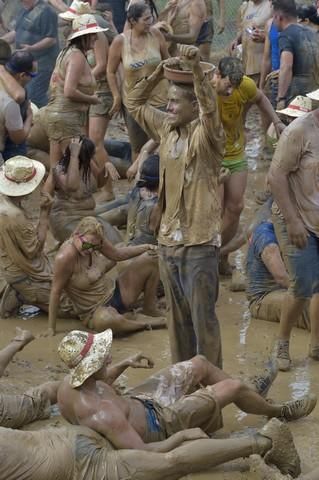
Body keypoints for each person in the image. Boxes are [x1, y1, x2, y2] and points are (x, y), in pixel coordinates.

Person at [57, 329, 316, 460]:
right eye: (104, 358)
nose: (109, 357)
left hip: (139, 401)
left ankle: (251, 395)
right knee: (233, 388)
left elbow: (99, 381)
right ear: (90, 369)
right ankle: (277, 410)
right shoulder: (103, 414)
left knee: (200, 362)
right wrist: (182, 435)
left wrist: (123, 363)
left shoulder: (68, 386)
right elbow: (145, 453)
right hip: (160, 424)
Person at [126, 44, 225, 366]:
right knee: (178, 324)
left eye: (174, 102)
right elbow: (134, 101)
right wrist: (157, 72)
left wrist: (196, 70)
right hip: (168, 240)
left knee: (203, 323)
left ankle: (211, 394)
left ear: (194, 105)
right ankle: (183, 383)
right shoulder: (167, 129)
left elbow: (211, 110)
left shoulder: (208, 136)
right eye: (167, 101)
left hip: (199, 242)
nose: (168, 107)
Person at [0, 418, 303, 479]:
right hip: (67, 436)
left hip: (73, 462)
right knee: (157, 455)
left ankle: (265, 441)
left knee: (171, 464)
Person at [211, 56, 284, 274]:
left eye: (235, 86)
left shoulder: (245, 84)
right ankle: (210, 256)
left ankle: (220, 254)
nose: (232, 91)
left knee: (236, 208)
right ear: (217, 75)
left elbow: (260, 99)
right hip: (211, 157)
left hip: (235, 151)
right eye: (228, 85)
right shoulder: (206, 91)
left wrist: (276, 120)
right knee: (215, 211)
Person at [268, 88, 319, 371]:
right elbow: (275, 176)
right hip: (297, 217)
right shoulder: (300, 130)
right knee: (302, 284)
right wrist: (292, 220)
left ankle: (316, 344)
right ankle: (283, 342)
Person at [48, 216, 166, 336]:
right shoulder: (65, 257)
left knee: (151, 257)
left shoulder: (95, 240)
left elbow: (118, 254)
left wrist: (146, 247)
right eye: (87, 246)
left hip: (116, 292)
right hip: (95, 311)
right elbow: (55, 291)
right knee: (106, 320)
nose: (90, 250)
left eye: (95, 247)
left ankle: (149, 308)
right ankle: (146, 324)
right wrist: (51, 328)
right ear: (76, 235)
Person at [59, 0, 119, 203]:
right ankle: (91, 180)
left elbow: (102, 65)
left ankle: (108, 188)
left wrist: (78, 84)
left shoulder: (97, 36)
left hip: (101, 92)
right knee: (86, 140)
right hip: (89, 94)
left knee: (97, 142)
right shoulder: (79, 43)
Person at [0, 156, 75, 317]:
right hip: (26, 274)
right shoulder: (15, 216)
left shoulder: (5, 204)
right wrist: (44, 213)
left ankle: (17, 290)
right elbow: (33, 250)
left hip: (12, 266)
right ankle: (22, 293)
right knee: (73, 307)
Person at [107, 2, 169, 161]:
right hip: (134, 103)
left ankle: (163, 181)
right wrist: (116, 96)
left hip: (159, 99)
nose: (150, 22)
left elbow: (168, 61)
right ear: (133, 21)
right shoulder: (120, 41)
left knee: (163, 142)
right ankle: (140, 182)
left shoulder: (156, 34)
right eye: (146, 19)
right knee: (138, 146)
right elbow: (110, 71)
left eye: (151, 18)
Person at [45, 14, 103, 170]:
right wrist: (92, 99)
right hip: (66, 118)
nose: (96, 38)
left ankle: (48, 194)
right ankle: (78, 193)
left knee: (57, 166)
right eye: (93, 35)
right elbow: (69, 91)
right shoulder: (76, 56)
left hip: (59, 116)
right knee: (78, 164)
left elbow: (57, 82)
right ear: (84, 36)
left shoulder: (67, 52)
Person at [47, 136, 122, 244]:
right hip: (66, 220)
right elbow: (72, 186)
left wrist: (106, 167)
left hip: (89, 215)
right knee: (96, 241)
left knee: (115, 239)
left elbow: (99, 183)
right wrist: (74, 156)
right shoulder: (60, 170)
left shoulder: (88, 164)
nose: (93, 157)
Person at [246, 217, 310, 330]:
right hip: (263, 298)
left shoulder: (285, 231)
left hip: (286, 291)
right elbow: (282, 278)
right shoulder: (266, 236)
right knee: (308, 305)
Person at [1, 0, 59, 107]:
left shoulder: (47, 11)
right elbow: (15, 33)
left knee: (36, 96)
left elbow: (51, 39)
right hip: (25, 63)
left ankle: (41, 119)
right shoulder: (24, 10)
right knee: (27, 95)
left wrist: (31, 48)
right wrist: (1, 41)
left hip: (42, 63)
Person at [272, 0, 319, 110]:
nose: (273, 21)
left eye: (273, 17)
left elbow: (286, 67)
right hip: (315, 91)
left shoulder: (285, 35)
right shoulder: (311, 32)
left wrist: (281, 98)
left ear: (279, 17)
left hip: (297, 94)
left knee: (283, 124)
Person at [0, 51, 35, 163]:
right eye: (33, 75)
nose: (33, 78)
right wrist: (29, 117)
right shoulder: (12, 102)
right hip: (9, 148)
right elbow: (18, 138)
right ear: (22, 75)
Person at [231, 0, 272, 83]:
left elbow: (282, 33)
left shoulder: (271, 5)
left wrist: (265, 37)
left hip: (261, 64)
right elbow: (245, 27)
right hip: (246, 62)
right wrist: (237, 39)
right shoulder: (247, 6)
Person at [259, 9, 280, 107]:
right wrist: (261, 85)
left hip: (294, 78)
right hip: (275, 79)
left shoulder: (298, 22)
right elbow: (266, 57)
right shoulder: (270, 24)